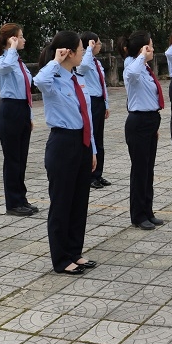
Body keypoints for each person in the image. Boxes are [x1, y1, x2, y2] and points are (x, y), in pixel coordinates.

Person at [33, 31, 98, 275]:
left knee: (79, 202)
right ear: (68, 52)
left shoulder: (77, 78)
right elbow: (38, 81)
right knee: (61, 203)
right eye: (80, 49)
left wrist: (91, 148)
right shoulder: (52, 79)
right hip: (62, 144)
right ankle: (61, 259)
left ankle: (74, 251)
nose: (83, 53)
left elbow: (87, 115)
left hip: (81, 142)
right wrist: (55, 61)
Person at [0, 23, 38, 217]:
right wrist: (10, 47)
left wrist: (30, 116)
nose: (24, 40)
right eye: (20, 37)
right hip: (9, 110)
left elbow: (27, 89)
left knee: (22, 158)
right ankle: (13, 203)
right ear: (12, 39)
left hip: (22, 109)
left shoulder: (20, 63)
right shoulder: (3, 61)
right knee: (12, 159)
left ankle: (21, 198)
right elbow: (6, 67)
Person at [123, 31, 165, 230]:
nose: (153, 49)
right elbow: (131, 75)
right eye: (150, 45)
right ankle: (138, 215)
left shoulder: (145, 67)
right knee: (140, 171)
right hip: (138, 121)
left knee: (148, 170)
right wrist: (141, 56)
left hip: (150, 120)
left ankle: (148, 210)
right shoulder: (132, 65)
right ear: (143, 48)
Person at [77, 31, 111, 189]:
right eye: (96, 43)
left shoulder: (96, 62)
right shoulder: (84, 60)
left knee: (99, 139)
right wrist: (88, 50)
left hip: (99, 102)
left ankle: (98, 173)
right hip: (90, 101)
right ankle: (90, 176)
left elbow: (102, 84)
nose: (99, 45)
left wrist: (107, 104)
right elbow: (82, 68)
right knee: (92, 139)